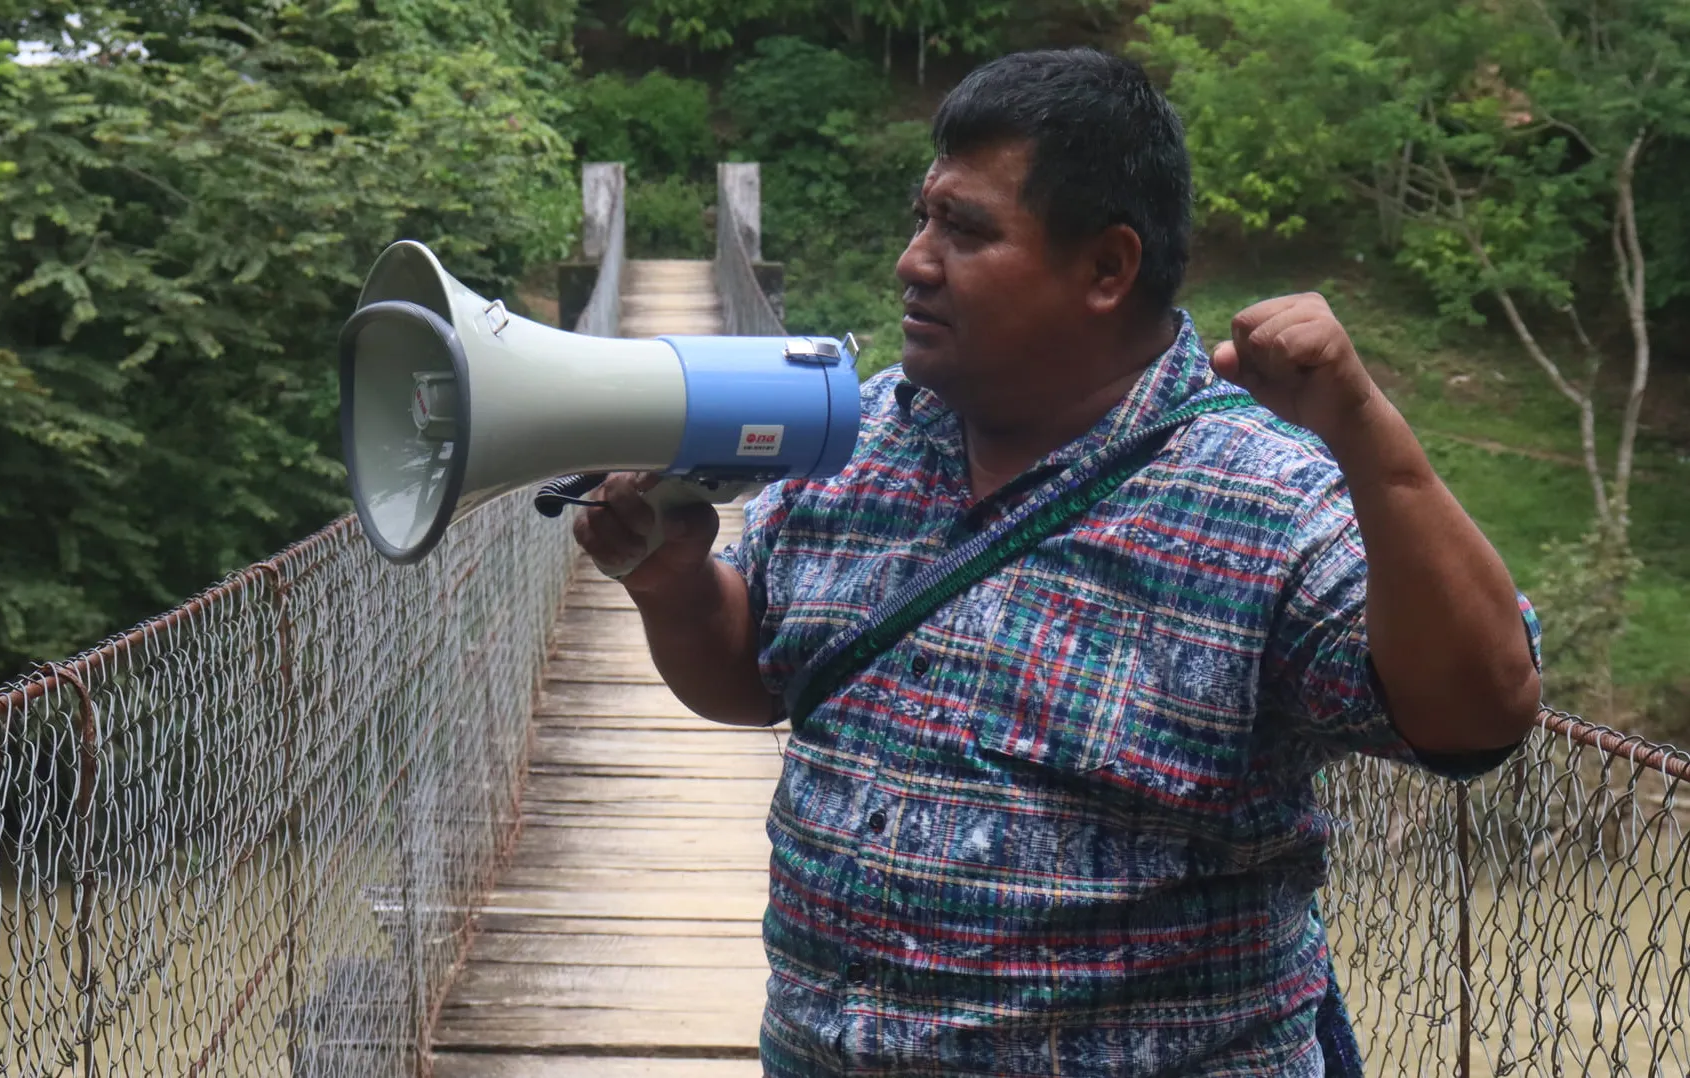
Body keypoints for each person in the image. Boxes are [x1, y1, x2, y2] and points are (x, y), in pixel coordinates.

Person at [572, 47, 1543, 1078]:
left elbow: (1482, 712)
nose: (912, 261)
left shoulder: (1262, 495)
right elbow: (751, 672)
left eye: (965, 230)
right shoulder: (854, 437)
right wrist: (674, 584)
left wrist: (1366, 433)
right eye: (922, 218)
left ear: (1107, 270)